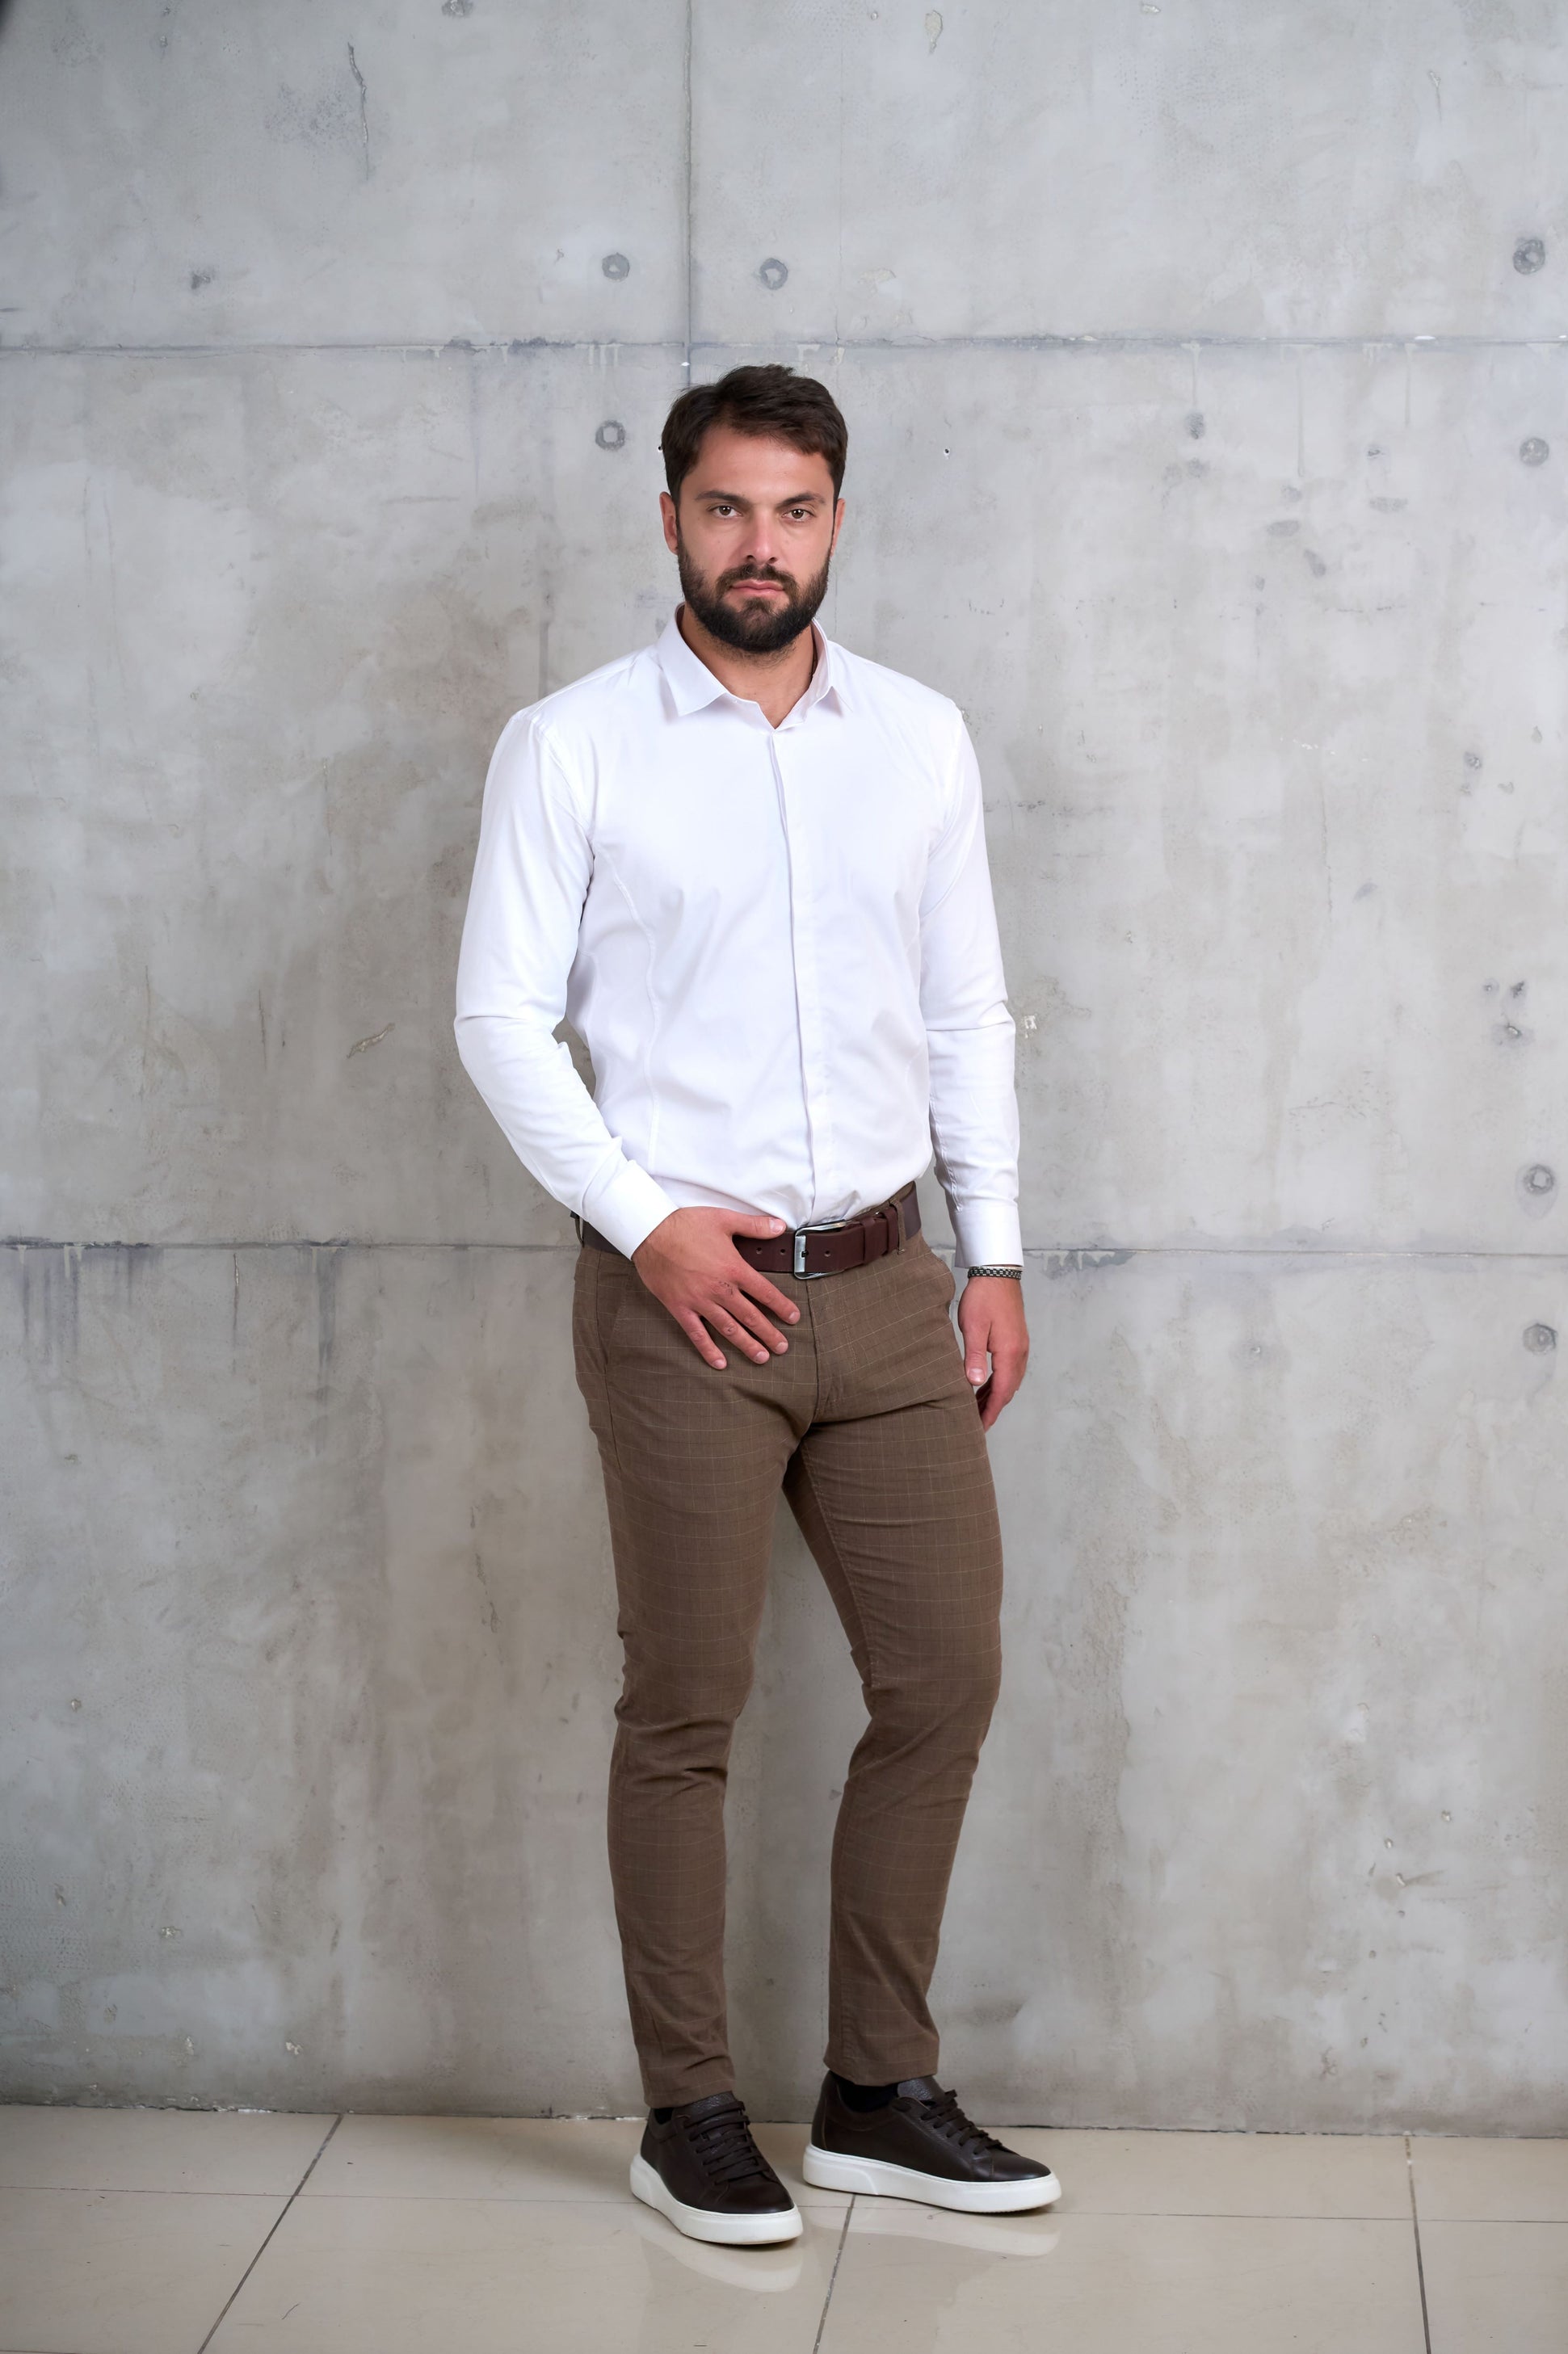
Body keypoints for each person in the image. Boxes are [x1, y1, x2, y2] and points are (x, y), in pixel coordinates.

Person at [454, 364, 1059, 2246]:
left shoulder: (919, 738)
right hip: (683, 1306)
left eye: (793, 511)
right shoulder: (572, 744)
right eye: (725, 508)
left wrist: (994, 1249)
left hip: (885, 1289)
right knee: (686, 1706)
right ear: (669, 520)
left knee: (943, 1678)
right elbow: (499, 1017)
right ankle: (689, 2110)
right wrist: (645, 1226)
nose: (758, 545)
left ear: (836, 523)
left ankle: (876, 2089)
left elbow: (963, 1007)